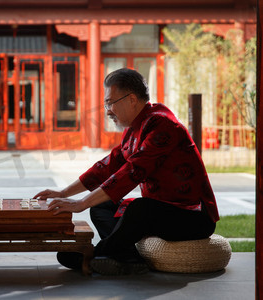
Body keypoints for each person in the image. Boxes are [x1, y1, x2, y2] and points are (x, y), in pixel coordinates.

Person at [35, 68, 219, 276]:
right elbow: (107, 166)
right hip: (162, 211)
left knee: (140, 209)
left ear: (131, 99)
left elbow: (132, 172)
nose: (108, 110)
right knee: (102, 206)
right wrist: (63, 193)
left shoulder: (162, 125)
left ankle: (95, 256)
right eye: (107, 104)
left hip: (193, 217)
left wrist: (80, 203)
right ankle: (128, 258)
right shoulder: (135, 127)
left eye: (110, 102)